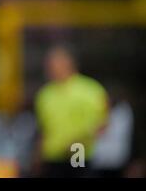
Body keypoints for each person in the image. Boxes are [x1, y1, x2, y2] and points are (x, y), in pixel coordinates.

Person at [34, 45, 108, 177]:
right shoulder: (45, 94)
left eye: (54, 64)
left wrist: (81, 141)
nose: (49, 68)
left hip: (78, 154)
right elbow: (43, 130)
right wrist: (38, 157)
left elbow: (102, 124)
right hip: (52, 158)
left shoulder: (90, 90)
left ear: (68, 63)